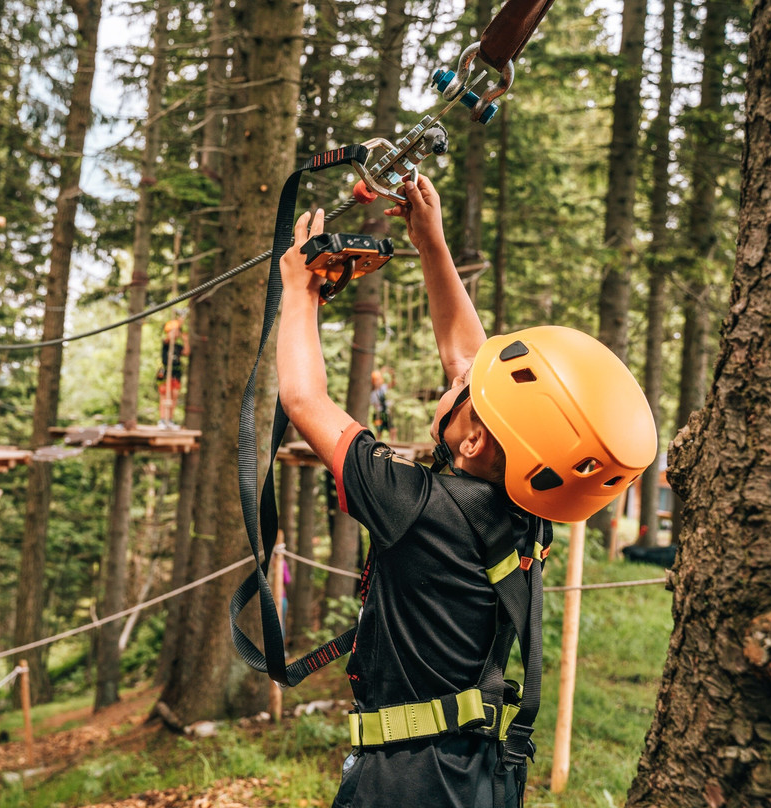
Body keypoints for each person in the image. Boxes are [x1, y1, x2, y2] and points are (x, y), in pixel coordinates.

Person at [276, 176, 656, 807]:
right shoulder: (531, 504)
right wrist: (432, 243)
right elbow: (470, 363)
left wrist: (298, 291)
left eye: (464, 392)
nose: (453, 378)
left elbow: (304, 399)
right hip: (480, 775)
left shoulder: (413, 506)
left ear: (474, 440)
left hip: (404, 785)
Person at [156, 317, 189, 428]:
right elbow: (169, 338)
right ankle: (162, 420)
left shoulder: (178, 346)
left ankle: (169, 420)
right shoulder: (166, 344)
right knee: (165, 396)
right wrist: (178, 324)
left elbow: (186, 352)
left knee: (174, 395)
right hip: (165, 372)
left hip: (175, 373)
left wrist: (185, 339)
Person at [369, 368, 396, 442]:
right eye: (376, 380)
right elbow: (374, 404)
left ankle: (393, 443)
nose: (378, 382)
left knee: (392, 429)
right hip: (378, 413)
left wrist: (392, 375)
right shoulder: (372, 393)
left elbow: (393, 384)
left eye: (379, 380)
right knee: (379, 431)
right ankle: (377, 443)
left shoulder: (382, 388)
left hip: (385, 413)